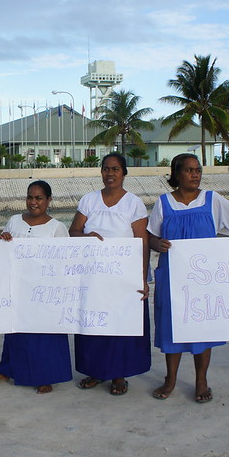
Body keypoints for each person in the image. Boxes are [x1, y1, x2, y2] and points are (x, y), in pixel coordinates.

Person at [148, 154, 229, 403]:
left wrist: (226, 251)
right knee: (172, 328)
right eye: (189, 170)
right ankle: (170, 378)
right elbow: (150, 235)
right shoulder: (163, 203)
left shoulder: (212, 199)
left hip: (205, 280)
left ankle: (201, 380)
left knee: (202, 329)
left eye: (198, 170)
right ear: (176, 173)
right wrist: (157, 243)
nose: (195, 175)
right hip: (173, 278)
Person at [68, 153, 150, 396]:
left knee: (120, 326)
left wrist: (142, 278)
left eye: (115, 169)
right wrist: (87, 237)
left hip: (123, 277)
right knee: (94, 325)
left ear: (124, 173)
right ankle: (95, 372)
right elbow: (74, 231)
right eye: (106, 169)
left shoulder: (134, 203)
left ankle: (118, 375)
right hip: (93, 276)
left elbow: (142, 243)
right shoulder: (89, 200)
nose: (110, 173)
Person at [0, 180, 73, 393]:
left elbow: (65, 262)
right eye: (30, 197)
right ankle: (6, 369)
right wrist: (3, 240)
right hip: (18, 288)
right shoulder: (14, 221)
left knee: (45, 336)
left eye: (39, 198)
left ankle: (46, 376)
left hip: (44, 292)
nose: (33, 202)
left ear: (49, 200)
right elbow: (2, 251)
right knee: (15, 332)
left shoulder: (57, 228)